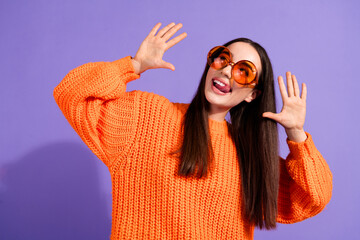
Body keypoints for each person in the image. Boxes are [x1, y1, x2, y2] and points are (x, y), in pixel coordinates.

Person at [53, 22, 333, 240]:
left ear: (252, 94)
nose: (226, 72)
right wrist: (134, 65)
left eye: (243, 71)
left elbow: (314, 197)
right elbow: (72, 92)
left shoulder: (250, 157)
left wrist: (297, 134)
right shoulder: (146, 116)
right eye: (223, 59)